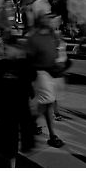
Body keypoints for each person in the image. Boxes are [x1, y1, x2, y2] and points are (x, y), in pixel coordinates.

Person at [0, 41, 36, 167]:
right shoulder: (0, 65)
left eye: (8, 48)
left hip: (21, 108)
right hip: (5, 110)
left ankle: (14, 158)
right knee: (9, 141)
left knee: (23, 137)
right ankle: (11, 163)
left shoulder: (24, 64)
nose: (5, 51)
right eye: (4, 49)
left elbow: (32, 77)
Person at [26, 13, 65, 148]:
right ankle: (49, 134)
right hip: (41, 73)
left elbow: (56, 52)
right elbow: (29, 60)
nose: (50, 22)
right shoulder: (34, 38)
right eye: (47, 19)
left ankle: (33, 125)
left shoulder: (52, 35)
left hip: (51, 73)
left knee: (46, 104)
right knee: (46, 103)